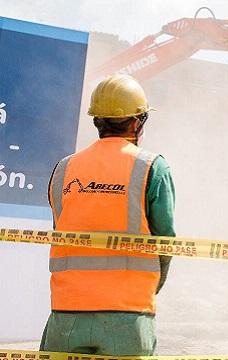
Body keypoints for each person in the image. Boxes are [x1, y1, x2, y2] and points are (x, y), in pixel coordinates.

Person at [40, 75, 175, 356]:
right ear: (137, 122)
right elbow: (166, 243)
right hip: (127, 314)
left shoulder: (64, 169)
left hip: (66, 315)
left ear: (97, 121)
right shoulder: (152, 167)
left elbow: (60, 233)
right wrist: (150, 289)